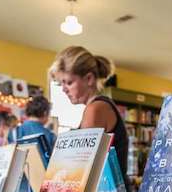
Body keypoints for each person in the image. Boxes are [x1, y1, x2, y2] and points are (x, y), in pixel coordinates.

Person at [48, 46, 129, 178]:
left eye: (69, 82)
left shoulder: (95, 109)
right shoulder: (97, 106)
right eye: (61, 84)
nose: (64, 90)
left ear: (89, 79)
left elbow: (79, 169)